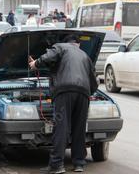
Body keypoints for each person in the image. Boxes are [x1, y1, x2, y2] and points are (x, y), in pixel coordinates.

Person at [29, 35, 98, 174]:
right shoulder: (85, 55)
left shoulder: (60, 46)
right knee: (79, 129)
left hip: (64, 91)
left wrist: (35, 64)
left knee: (61, 128)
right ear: (77, 44)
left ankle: (57, 165)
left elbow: (48, 57)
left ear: (66, 43)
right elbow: (93, 81)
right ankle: (79, 164)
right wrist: (86, 92)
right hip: (83, 94)